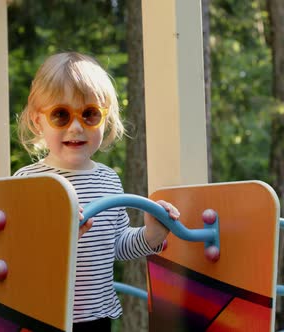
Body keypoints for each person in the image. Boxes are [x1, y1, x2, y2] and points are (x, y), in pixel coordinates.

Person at [13, 51, 179, 332]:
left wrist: (151, 235)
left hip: (96, 319)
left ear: (105, 118)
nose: (76, 127)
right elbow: (19, 255)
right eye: (61, 115)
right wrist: (60, 238)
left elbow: (116, 245)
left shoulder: (108, 180)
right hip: (43, 316)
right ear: (37, 120)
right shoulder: (28, 182)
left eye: (89, 114)